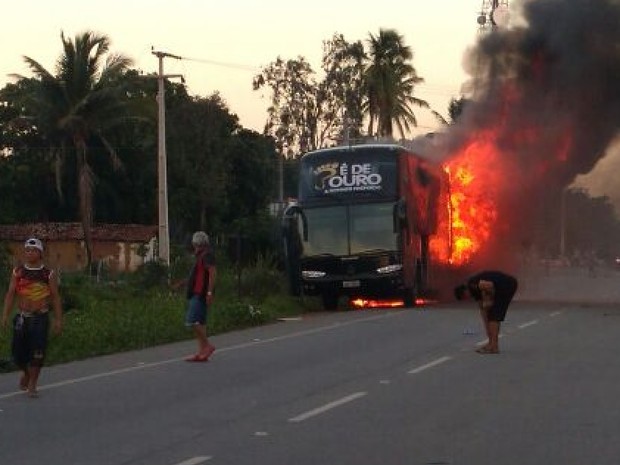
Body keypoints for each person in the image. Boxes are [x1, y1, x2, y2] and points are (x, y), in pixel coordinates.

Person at [2, 238, 63, 397]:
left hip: (40, 318)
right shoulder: (18, 272)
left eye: (34, 250)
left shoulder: (47, 274)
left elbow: (55, 297)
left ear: (40, 253)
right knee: (17, 354)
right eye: (27, 250)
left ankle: (32, 385)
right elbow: (10, 294)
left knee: (38, 352)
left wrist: (58, 320)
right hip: (22, 317)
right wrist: (5, 316)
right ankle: (26, 373)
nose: (30, 253)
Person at [454, 270, 518, 354]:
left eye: (465, 297)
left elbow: (489, 286)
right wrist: (486, 324)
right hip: (501, 287)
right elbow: (483, 310)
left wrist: (488, 300)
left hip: (506, 285)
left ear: (464, 291)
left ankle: (494, 347)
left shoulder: (472, 284)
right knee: (491, 316)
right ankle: (491, 343)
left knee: (494, 315)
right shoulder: (474, 293)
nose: (467, 299)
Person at [184, 231, 216, 362]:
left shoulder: (206, 255)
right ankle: (202, 351)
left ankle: (207, 346)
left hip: (200, 294)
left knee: (191, 321)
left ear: (197, 243)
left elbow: (213, 273)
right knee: (201, 323)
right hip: (197, 293)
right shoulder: (200, 256)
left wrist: (209, 292)